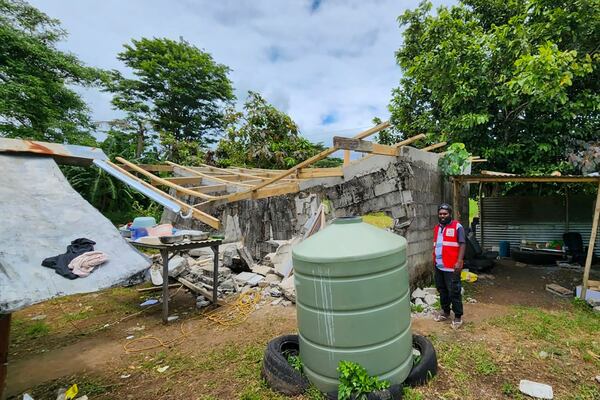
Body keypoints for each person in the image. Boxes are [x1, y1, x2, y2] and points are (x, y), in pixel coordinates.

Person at [432, 203, 466, 329]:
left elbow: (462, 244)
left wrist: (459, 261)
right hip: (439, 266)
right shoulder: (437, 228)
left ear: (450, 214)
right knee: (442, 290)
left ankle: (458, 317)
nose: (442, 216)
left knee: (454, 291)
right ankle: (445, 312)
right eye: (440, 214)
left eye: (445, 214)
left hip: (452, 267)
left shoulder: (457, 227)